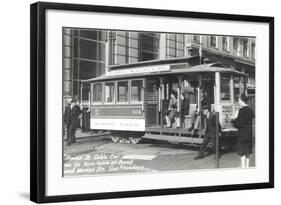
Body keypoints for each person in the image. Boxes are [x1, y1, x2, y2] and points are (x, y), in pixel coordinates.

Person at [231, 93, 254, 168]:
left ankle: (243, 170)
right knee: (248, 153)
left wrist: (233, 119)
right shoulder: (250, 110)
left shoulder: (241, 111)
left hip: (242, 135)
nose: (238, 102)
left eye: (239, 100)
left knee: (242, 154)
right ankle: (247, 168)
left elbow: (238, 124)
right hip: (249, 134)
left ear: (242, 100)